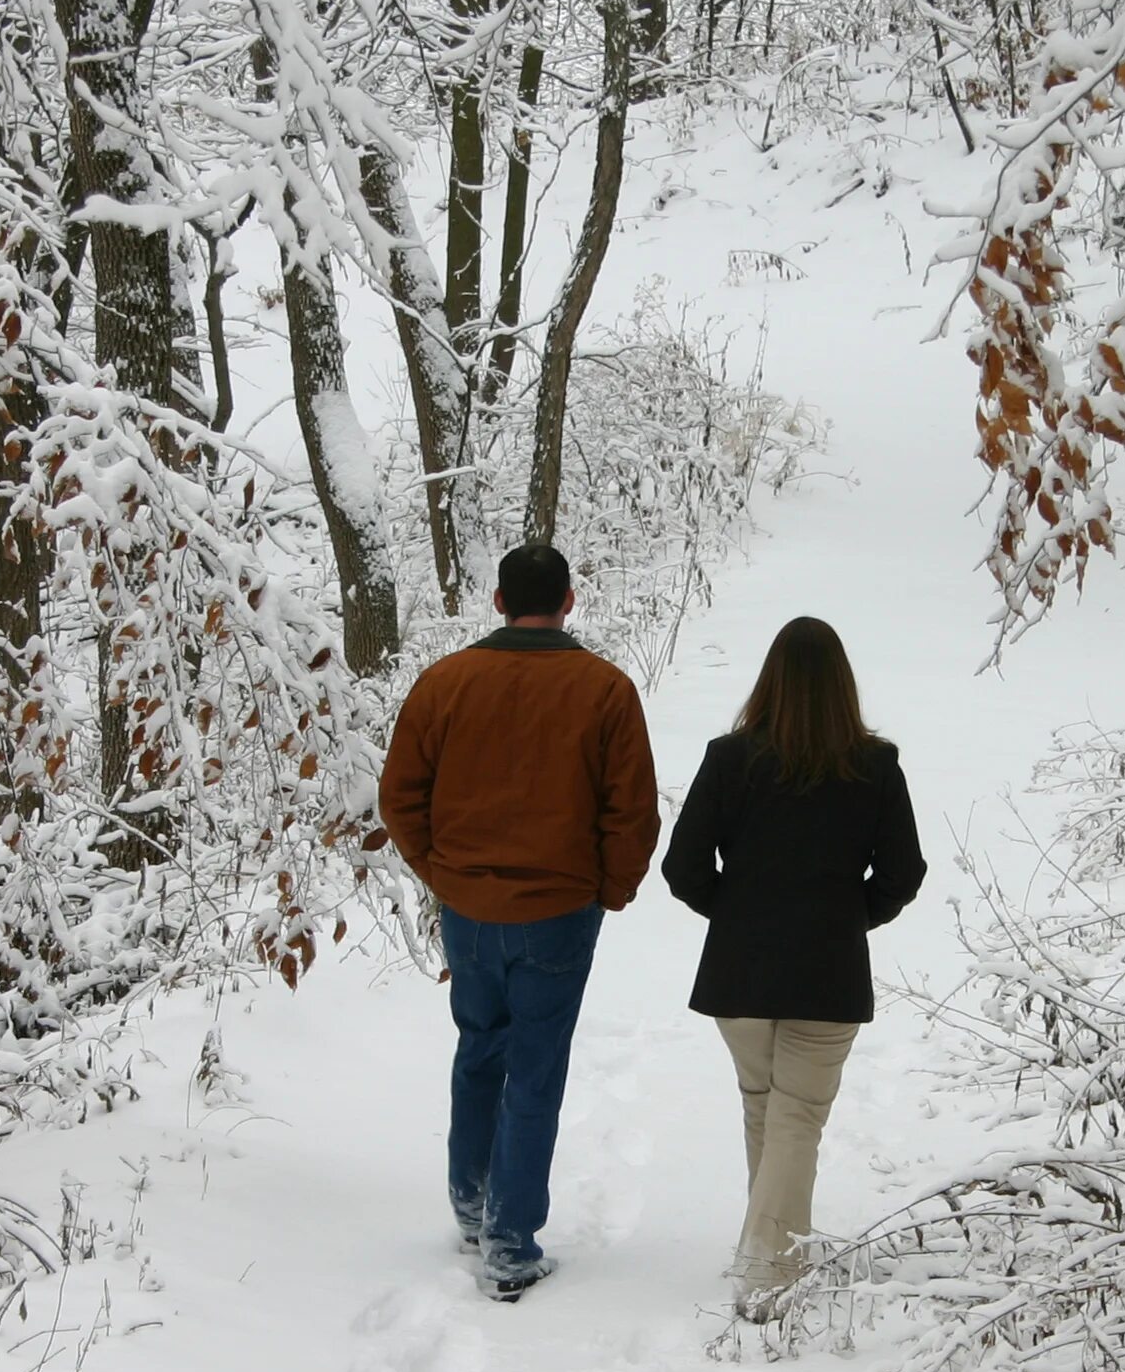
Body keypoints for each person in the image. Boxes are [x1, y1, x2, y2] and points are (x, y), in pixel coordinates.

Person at [379, 543, 659, 1301]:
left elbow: (400, 798)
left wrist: (443, 874)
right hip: (560, 912)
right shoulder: (605, 691)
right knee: (533, 1069)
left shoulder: (444, 684)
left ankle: (472, 1204)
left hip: (467, 910)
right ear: (569, 601)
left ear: (498, 602)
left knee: (478, 1051)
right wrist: (610, 888)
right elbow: (631, 812)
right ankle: (508, 1242)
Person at [661, 617, 925, 1317]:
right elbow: (903, 873)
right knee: (795, 1117)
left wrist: (739, 912)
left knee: (769, 1111)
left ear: (769, 680)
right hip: (826, 975)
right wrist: (846, 919)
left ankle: (771, 1246)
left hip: (740, 975)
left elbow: (683, 868)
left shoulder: (728, 759)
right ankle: (768, 1270)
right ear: (843, 686)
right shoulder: (875, 766)